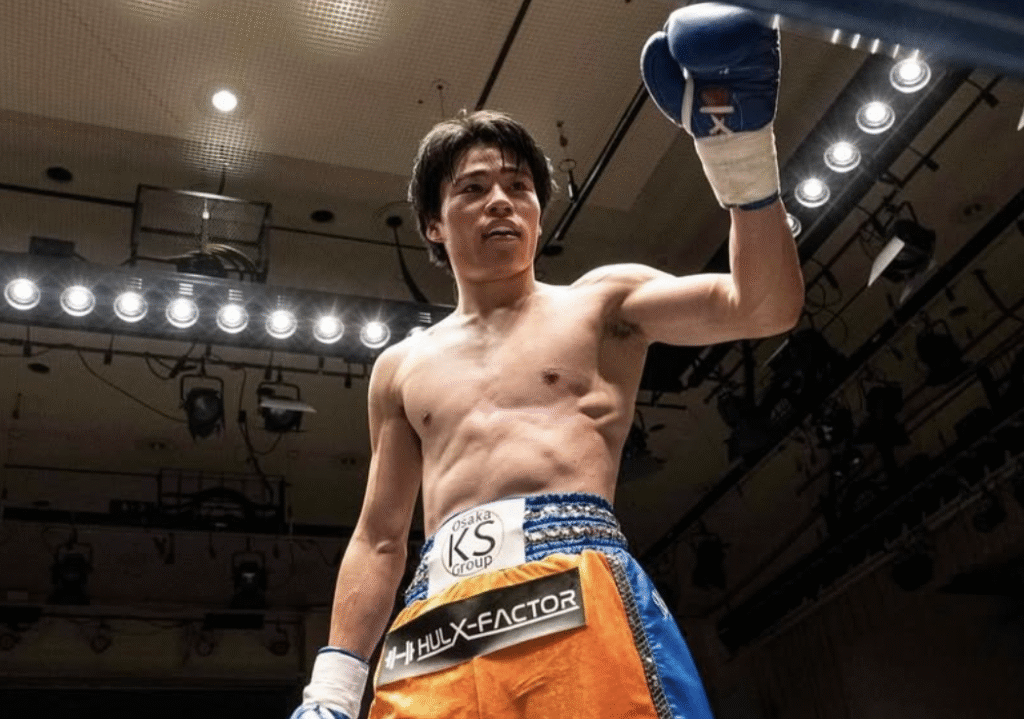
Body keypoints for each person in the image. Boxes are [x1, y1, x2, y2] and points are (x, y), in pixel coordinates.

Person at [292, 3, 804, 718]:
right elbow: (379, 538)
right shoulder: (400, 367)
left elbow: (762, 307)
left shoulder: (603, 304)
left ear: (538, 213)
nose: (501, 201)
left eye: (519, 187)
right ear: (434, 224)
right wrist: (334, 687)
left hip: (574, 583)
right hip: (438, 625)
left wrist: (741, 156)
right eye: (473, 188)